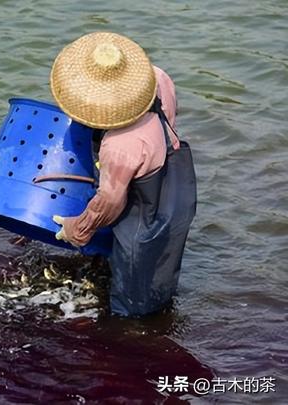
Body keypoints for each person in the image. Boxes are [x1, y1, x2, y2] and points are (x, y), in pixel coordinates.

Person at [49, 32, 197, 317]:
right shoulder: (157, 78)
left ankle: (137, 338)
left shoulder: (119, 146)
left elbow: (109, 204)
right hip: (176, 188)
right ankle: (162, 313)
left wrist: (75, 229)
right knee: (162, 271)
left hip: (146, 217)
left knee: (132, 301)